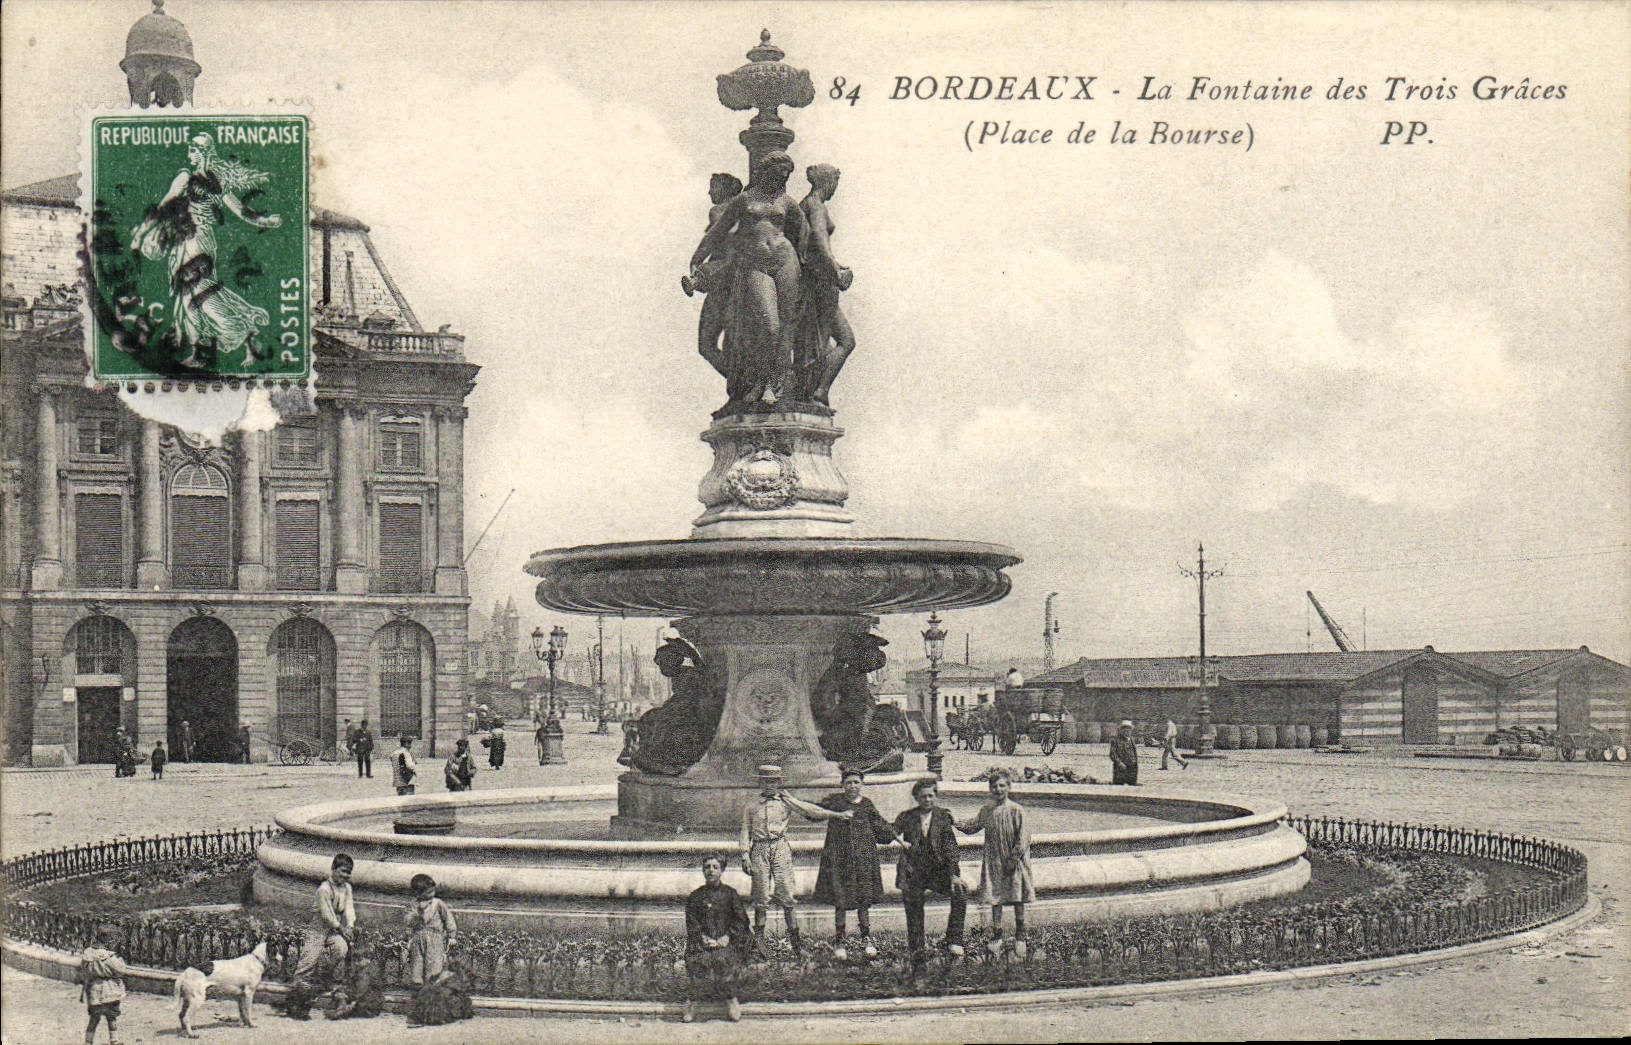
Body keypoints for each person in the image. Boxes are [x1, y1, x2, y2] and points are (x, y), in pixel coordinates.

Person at [128, 132, 282, 367]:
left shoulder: (191, 178)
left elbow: (163, 207)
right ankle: (217, 346)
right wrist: (265, 220)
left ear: (203, 154)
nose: (189, 154)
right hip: (192, 242)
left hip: (195, 243)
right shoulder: (210, 182)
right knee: (190, 297)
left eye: (193, 150)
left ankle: (243, 335)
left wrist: (140, 234)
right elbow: (241, 210)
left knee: (197, 294)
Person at [687, 150, 810, 413]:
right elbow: (718, 232)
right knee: (769, 325)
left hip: (785, 262)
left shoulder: (786, 202)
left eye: (785, 177)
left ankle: (771, 384)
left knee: (785, 327)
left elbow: (803, 228)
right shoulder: (744, 201)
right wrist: (697, 258)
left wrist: (801, 256)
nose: (781, 181)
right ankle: (758, 378)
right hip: (757, 264)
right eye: (777, 175)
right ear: (764, 173)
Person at [739, 764, 852, 953]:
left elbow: (810, 810)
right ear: (760, 782)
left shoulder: (786, 801)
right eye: (765, 781)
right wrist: (744, 854)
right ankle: (759, 944)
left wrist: (838, 815)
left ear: (779, 782)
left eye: (773, 781)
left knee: (787, 894)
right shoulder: (751, 806)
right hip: (759, 848)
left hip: (780, 848)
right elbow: (745, 830)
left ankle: (796, 945)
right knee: (761, 896)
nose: (769, 785)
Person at [810, 769, 900, 960]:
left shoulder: (867, 805)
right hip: (840, 861)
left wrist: (898, 832)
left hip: (863, 862)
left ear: (862, 784)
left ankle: (866, 938)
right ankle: (840, 941)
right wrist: (792, 802)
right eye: (849, 782)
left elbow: (882, 829)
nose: (852, 786)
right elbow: (813, 813)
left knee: (863, 901)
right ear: (842, 784)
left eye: (856, 782)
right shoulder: (835, 802)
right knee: (840, 901)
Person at [955, 768, 1035, 959]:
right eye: (994, 786)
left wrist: (1014, 858)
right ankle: (997, 934)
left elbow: (1024, 838)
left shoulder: (1016, 810)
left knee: (1017, 895)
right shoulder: (987, 810)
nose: (998, 790)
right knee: (995, 896)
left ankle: (1020, 934)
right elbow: (972, 826)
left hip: (1014, 861)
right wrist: (954, 821)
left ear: (1009, 787)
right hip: (994, 859)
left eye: (1002, 786)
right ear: (990, 789)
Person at [794, 163, 856, 406]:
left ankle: (816, 389)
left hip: (810, 279)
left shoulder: (804, 204)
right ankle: (817, 390)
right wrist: (836, 269)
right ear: (827, 182)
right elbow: (819, 239)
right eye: (834, 184)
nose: (835, 190)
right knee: (841, 341)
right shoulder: (816, 207)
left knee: (818, 339)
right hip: (822, 281)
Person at [892, 778, 968, 963]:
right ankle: (917, 947)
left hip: (937, 870)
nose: (927, 800)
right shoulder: (907, 816)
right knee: (912, 900)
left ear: (936, 796)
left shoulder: (943, 816)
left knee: (960, 891)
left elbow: (951, 848)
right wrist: (901, 841)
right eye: (923, 796)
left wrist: (954, 875)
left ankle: (954, 939)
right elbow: (888, 831)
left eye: (931, 796)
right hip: (914, 870)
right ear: (917, 798)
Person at [682, 172, 744, 382]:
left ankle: (738, 381)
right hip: (734, 277)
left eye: (713, 187)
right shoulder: (744, 209)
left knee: (706, 345)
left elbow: (711, 239)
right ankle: (742, 381)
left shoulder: (719, 211)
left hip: (721, 280)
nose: (709, 191)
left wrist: (695, 261)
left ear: (724, 189)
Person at [683, 854, 754, 1023]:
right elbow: (691, 922)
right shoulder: (695, 896)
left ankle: (731, 1001)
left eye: (715, 867)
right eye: (707, 867)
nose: (711, 871)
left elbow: (741, 920)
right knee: (698, 961)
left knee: (725, 960)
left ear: (722, 870)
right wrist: (703, 938)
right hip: (702, 942)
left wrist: (727, 937)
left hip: (726, 942)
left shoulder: (730, 894)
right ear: (703, 870)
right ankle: (692, 1003)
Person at [288, 853, 355, 1020]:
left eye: (348, 872)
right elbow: (326, 915)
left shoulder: (347, 888)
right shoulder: (324, 889)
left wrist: (350, 926)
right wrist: (341, 928)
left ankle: (322, 979)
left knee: (341, 948)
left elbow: (349, 908)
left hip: (335, 930)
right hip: (319, 928)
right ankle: (294, 1001)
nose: (345, 876)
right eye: (342, 871)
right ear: (333, 869)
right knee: (308, 961)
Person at [403, 873, 458, 988]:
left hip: (434, 937)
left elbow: (448, 918)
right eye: (427, 893)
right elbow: (408, 921)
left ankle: (432, 986)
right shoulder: (413, 904)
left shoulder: (438, 903)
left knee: (433, 962)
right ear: (418, 893)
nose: (431, 894)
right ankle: (417, 984)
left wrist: (451, 935)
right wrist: (409, 936)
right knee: (417, 962)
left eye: (432, 891)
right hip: (418, 937)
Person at [79, 924, 127, 1045]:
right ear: (109, 940)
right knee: (112, 1017)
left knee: (94, 1019)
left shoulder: (88, 954)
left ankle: (88, 1042)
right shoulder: (108, 957)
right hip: (110, 990)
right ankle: (114, 1041)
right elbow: (120, 970)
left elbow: (83, 970)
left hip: (94, 989)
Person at [323, 932, 382, 1020]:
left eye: (360, 960)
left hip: (368, 1002)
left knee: (353, 1001)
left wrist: (348, 995)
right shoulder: (357, 970)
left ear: (368, 959)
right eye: (355, 960)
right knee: (340, 994)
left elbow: (360, 991)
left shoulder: (367, 972)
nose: (356, 963)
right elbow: (350, 983)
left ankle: (343, 1010)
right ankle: (340, 1008)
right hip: (359, 997)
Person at [1110, 720, 1140, 785]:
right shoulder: (1115, 740)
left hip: (1132, 768)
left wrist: (1135, 763)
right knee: (1118, 786)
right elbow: (1113, 754)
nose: (1127, 731)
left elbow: (1134, 753)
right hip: (1120, 768)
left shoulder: (1132, 740)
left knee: (1132, 786)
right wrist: (1119, 763)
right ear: (1121, 730)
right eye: (1125, 729)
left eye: (1129, 729)